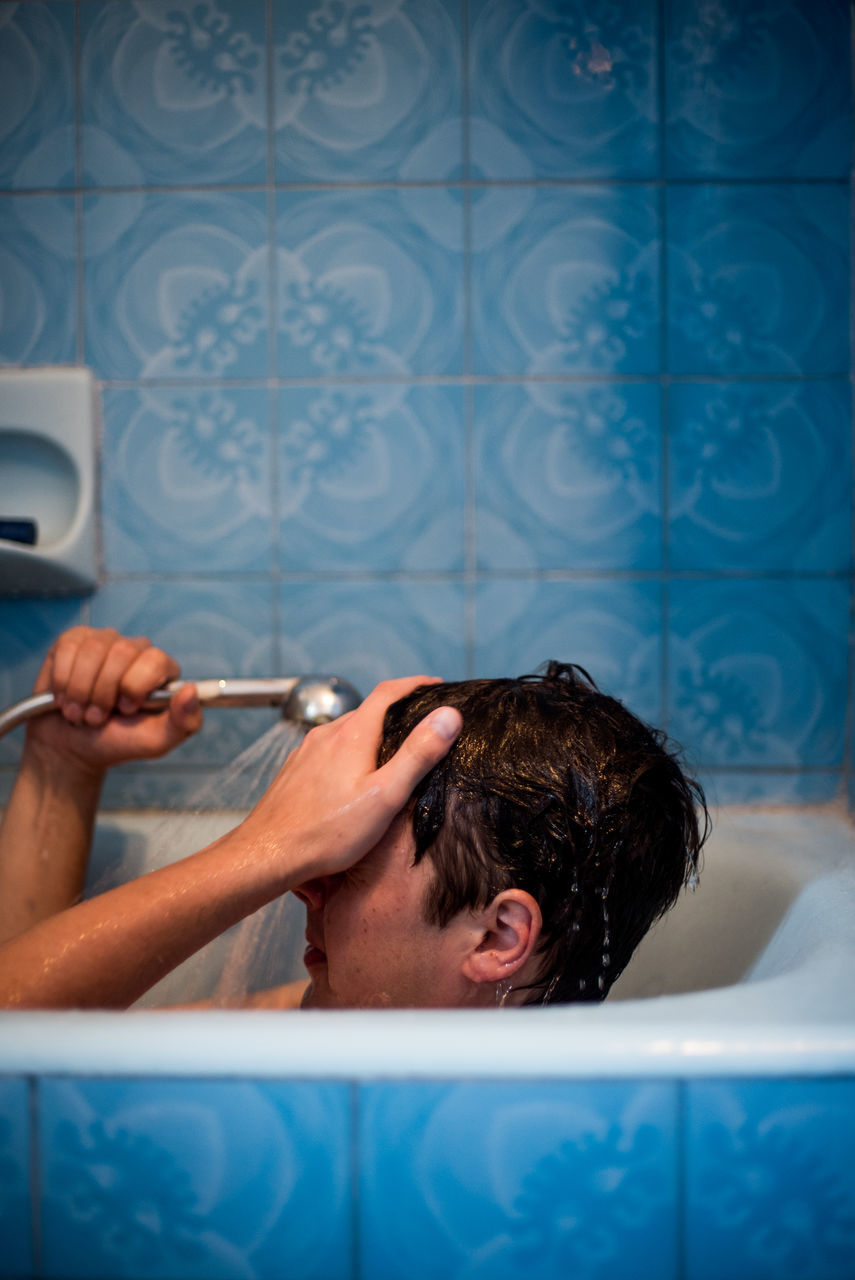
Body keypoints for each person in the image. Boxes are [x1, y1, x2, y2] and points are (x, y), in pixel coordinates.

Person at [0, 629, 708, 1011]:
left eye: (352, 857)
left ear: (498, 934)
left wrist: (265, 847)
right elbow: (45, 1045)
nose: (301, 884)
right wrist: (63, 768)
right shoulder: (347, 1021)